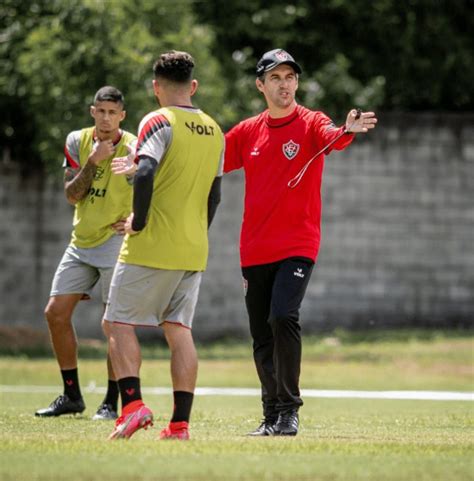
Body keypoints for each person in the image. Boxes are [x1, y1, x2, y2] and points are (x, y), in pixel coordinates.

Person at [224, 49, 377, 436]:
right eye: (275, 78)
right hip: (254, 248)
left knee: (282, 317)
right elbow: (210, 160)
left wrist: (348, 130)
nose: (284, 84)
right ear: (261, 85)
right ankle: (271, 413)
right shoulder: (247, 132)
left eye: (290, 77)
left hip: (298, 244)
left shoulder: (311, 122)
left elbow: (332, 137)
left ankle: (289, 411)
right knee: (261, 334)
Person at [103, 50, 224, 441]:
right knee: (179, 330)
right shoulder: (215, 129)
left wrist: (139, 219)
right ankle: (179, 425)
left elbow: (149, 170)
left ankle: (133, 407)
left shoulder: (157, 119)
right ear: (193, 86)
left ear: (156, 87)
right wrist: (197, 232)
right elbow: (215, 195)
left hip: (152, 244)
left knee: (116, 322)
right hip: (194, 248)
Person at [35, 86, 137, 420]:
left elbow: (154, 185)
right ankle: (72, 395)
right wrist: (93, 162)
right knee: (55, 313)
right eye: (101, 111)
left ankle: (111, 401)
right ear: (92, 111)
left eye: (113, 112)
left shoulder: (134, 146)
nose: (106, 118)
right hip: (81, 243)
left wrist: (138, 218)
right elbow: (71, 195)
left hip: (114, 241)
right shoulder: (78, 141)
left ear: (122, 115)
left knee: (113, 325)